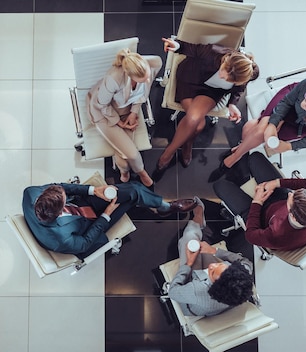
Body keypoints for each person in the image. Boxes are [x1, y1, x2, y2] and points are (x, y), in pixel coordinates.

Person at [153, 37, 259, 181]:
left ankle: (174, 150)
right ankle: (178, 147)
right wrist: (176, 45)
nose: (222, 76)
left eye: (229, 79)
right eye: (223, 70)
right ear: (226, 61)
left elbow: (238, 90)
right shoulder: (214, 52)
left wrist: (232, 104)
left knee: (196, 121)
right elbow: (189, 48)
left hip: (211, 92)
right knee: (199, 124)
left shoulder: (243, 75)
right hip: (191, 81)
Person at [207, 77, 306, 183]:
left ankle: (240, 149)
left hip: (300, 125)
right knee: (259, 130)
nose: (302, 103)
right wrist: (272, 123)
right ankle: (236, 156)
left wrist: (289, 146)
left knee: (250, 128)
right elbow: (287, 101)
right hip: (287, 102)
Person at [22, 181, 198, 258]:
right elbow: (85, 242)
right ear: (60, 209)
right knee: (129, 199)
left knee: (132, 191)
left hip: (81, 203)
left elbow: (61, 186)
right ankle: (164, 208)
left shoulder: (31, 193)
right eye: (63, 196)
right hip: (90, 225)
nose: (63, 191)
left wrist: (93, 190)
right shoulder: (61, 239)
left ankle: (164, 206)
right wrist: (106, 214)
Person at [213, 151, 306, 251]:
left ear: (292, 215)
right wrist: (276, 183)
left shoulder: (278, 235)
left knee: (219, 185)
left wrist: (257, 202)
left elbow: (251, 236)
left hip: (260, 215)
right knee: (255, 157)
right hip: (279, 198)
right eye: (295, 193)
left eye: (291, 199)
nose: (291, 193)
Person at [88, 49, 163, 187]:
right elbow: (102, 105)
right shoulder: (114, 79)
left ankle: (124, 171)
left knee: (123, 160)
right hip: (105, 113)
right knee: (132, 156)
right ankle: (141, 171)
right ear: (128, 75)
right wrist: (120, 123)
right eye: (143, 79)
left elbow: (142, 94)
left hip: (127, 108)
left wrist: (134, 112)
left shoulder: (149, 65)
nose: (148, 80)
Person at [167, 199, 254, 317]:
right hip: (219, 294)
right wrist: (214, 251)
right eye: (221, 265)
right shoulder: (241, 273)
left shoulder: (197, 290)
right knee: (199, 247)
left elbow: (173, 292)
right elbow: (246, 262)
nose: (212, 266)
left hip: (195, 299)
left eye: (212, 272)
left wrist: (188, 264)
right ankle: (198, 224)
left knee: (189, 240)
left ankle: (197, 219)